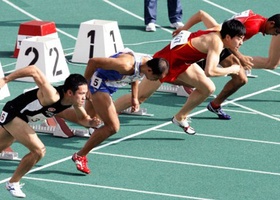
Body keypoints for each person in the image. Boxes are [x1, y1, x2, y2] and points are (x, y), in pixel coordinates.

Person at [114, 19, 245, 135]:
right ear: (228, 37)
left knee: (207, 88)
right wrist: (233, 69)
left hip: (183, 63)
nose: (241, 42)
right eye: (239, 38)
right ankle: (100, 117)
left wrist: (184, 28)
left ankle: (180, 117)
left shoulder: (217, 28)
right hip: (164, 64)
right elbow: (209, 71)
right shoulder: (216, 43)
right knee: (139, 97)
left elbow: (201, 14)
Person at [0, 65, 99, 198]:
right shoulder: (52, 96)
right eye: (81, 93)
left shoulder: (74, 102)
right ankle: (13, 183)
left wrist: (91, 123)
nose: (84, 97)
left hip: (24, 119)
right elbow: (34, 70)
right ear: (70, 92)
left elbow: (83, 119)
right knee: (38, 150)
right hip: (13, 113)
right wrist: (6, 79)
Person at [71, 48, 169, 174]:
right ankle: (80, 155)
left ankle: (56, 111)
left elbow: (136, 75)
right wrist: (85, 86)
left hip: (110, 85)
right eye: (156, 78)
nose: (156, 81)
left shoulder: (146, 63)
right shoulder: (124, 64)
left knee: (88, 120)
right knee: (112, 127)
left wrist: (134, 97)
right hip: (99, 84)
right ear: (150, 70)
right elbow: (93, 62)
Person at [173, 10, 280, 119]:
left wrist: (184, 28)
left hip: (220, 43)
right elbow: (231, 43)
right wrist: (240, 57)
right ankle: (165, 78)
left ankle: (214, 104)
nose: (275, 34)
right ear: (271, 23)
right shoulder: (253, 27)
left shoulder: (256, 17)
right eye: (276, 31)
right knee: (237, 79)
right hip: (219, 45)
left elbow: (202, 15)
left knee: (240, 78)